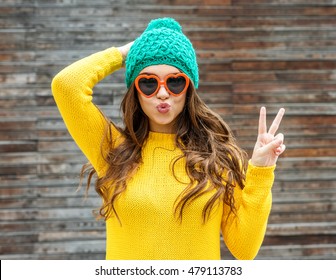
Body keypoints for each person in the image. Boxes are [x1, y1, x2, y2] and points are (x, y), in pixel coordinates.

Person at [51, 17, 285, 260]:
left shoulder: (218, 158)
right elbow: (66, 86)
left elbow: (245, 249)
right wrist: (125, 54)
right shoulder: (112, 149)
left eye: (175, 82)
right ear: (136, 91)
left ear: (189, 89)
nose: (162, 93)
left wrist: (261, 170)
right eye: (148, 83)